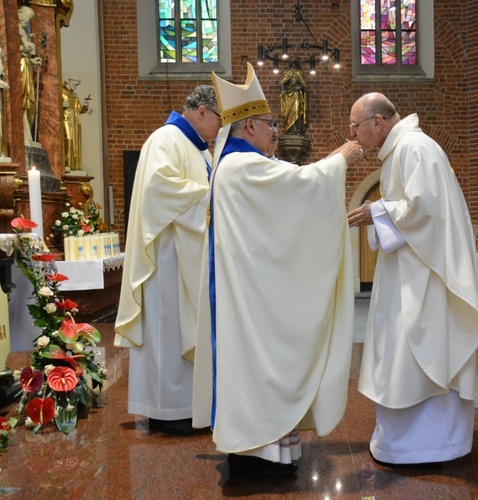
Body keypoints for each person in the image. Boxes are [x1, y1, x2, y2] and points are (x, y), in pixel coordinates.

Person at [192, 63, 364, 480]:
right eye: (271, 124)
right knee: (257, 367)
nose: (277, 131)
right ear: (249, 126)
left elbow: (291, 185)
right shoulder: (241, 167)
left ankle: (274, 451)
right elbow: (301, 188)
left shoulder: (238, 166)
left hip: (253, 291)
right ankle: (256, 455)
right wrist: (339, 159)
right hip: (251, 300)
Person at [346, 93, 478, 466]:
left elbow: (425, 210)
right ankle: (407, 443)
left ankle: (426, 447)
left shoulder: (415, 148)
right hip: (410, 270)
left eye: (355, 125)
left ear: (377, 122)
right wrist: (380, 213)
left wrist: (376, 211)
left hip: (424, 278)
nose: (353, 134)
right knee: (401, 356)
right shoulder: (402, 149)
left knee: (416, 355)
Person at [115, 85, 220, 435]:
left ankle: (192, 406)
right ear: (202, 111)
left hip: (189, 254)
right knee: (169, 332)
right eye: (220, 120)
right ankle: (166, 410)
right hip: (168, 259)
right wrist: (216, 195)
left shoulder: (200, 150)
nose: (221, 129)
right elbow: (160, 188)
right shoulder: (166, 138)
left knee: (188, 329)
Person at [18, 5, 42, 140]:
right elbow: (11, 48)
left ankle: (26, 130)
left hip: (25, 64)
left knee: (29, 100)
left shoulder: (22, 30)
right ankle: (22, 130)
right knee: (22, 97)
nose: (27, 22)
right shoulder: (13, 27)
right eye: (27, 18)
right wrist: (25, 48)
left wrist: (32, 61)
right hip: (21, 66)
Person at [61, 78, 90, 171]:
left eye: (77, 85)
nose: (75, 87)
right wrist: (61, 105)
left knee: (74, 141)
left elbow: (80, 109)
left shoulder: (74, 95)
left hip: (75, 120)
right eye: (75, 84)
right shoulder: (60, 91)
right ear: (69, 81)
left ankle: (73, 165)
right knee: (68, 139)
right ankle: (66, 163)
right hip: (66, 118)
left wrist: (85, 106)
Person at [279, 64, 307, 135]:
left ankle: (297, 129)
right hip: (288, 94)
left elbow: (304, 85)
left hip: (297, 94)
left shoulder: (299, 73)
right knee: (289, 112)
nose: (293, 65)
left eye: (295, 63)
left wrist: (300, 87)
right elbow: (282, 83)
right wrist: (283, 91)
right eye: (292, 63)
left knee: (297, 110)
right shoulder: (287, 72)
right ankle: (290, 129)